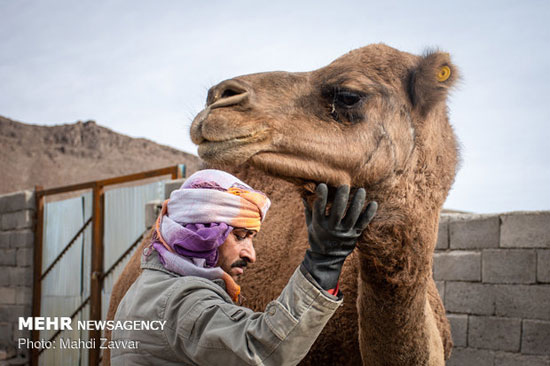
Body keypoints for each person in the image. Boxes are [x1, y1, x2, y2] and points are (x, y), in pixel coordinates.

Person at [111, 169, 377, 366]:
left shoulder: (142, 291)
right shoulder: (181, 300)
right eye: (239, 236)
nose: (251, 255)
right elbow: (261, 351)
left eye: (252, 238)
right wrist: (323, 263)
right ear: (200, 232)